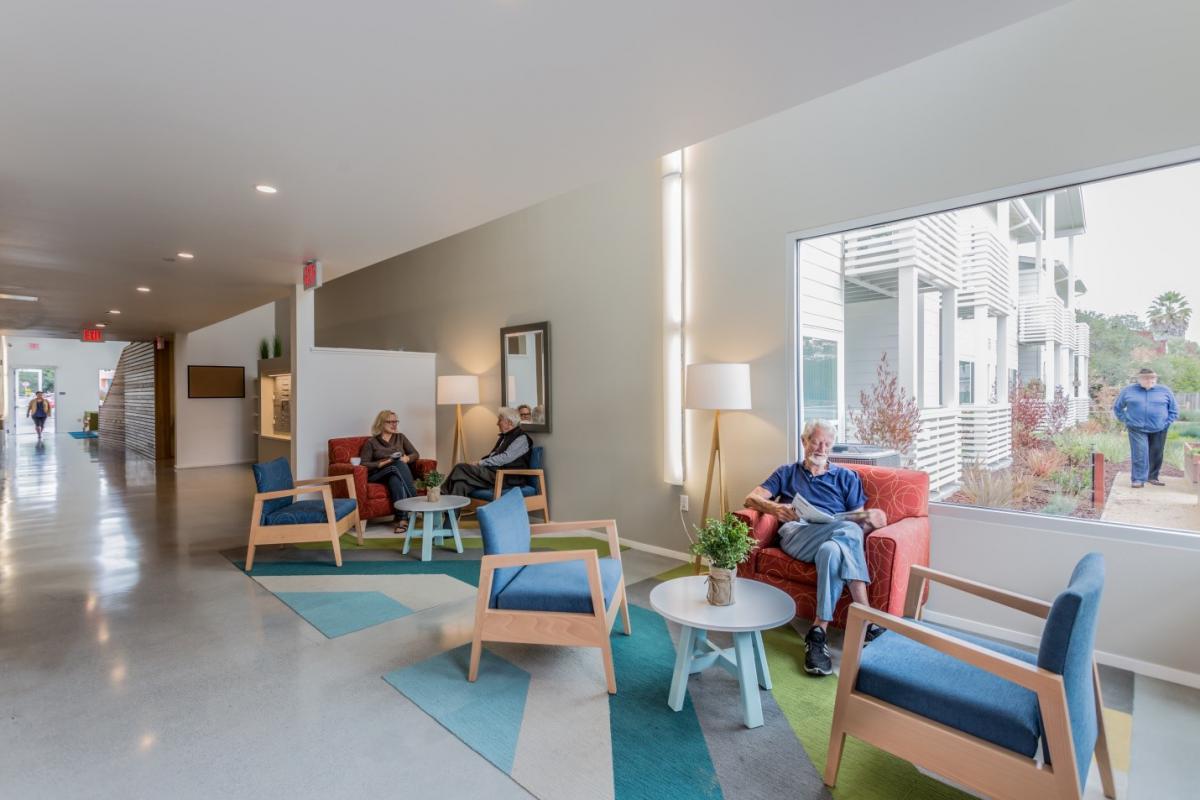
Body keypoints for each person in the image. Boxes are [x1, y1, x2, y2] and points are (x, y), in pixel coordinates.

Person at [743, 419, 888, 676]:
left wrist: (869, 520)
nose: (821, 448)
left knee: (831, 551)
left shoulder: (846, 477)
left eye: (827, 443)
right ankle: (865, 617)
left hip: (831, 537)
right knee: (848, 529)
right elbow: (750, 498)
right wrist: (774, 508)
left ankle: (818, 631)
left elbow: (857, 526)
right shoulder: (787, 472)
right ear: (804, 442)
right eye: (815, 442)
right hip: (796, 534)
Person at [443, 407, 533, 497]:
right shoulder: (505, 437)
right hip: (494, 473)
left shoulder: (521, 438)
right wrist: (481, 462)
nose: (497, 423)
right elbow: (494, 455)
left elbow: (504, 458)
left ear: (509, 423)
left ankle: (441, 494)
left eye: (500, 420)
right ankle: (449, 511)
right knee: (460, 484)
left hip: (507, 477)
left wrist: (480, 463)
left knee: (460, 467)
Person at [1113, 367, 1179, 488]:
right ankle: (1138, 479)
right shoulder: (1128, 390)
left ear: (1156, 378)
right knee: (1139, 453)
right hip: (1136, 428)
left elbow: (1174, 410)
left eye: (1152, 377)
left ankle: (1152, 477)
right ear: (1139, 379)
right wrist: (1126, 420)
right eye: (1146, 378)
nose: (1150, 380)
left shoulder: (1165, 390)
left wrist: (1166, 423)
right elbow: (1117, 408)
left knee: (1156, 453)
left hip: (1160, 428)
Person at [360, 410, 420, 533]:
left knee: (395, 481)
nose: (394, 424)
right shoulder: (372, 442)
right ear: (381, 423)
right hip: (378, 474)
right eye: (390, 422)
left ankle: (402, 520)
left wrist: (406, 458)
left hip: (395, 472)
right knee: (396, 465)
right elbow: (364, 463)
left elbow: (415, 454)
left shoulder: (400, 437)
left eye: (395, 421)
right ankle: (416, 501)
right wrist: (384, 462)